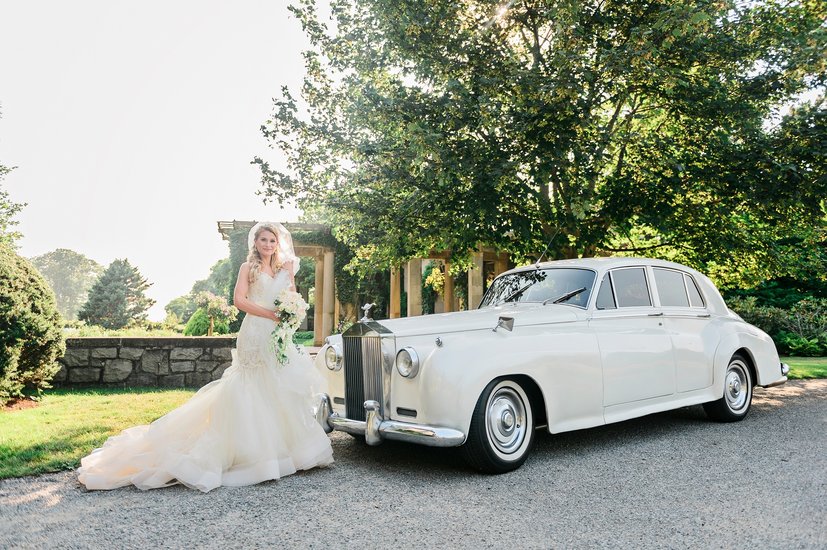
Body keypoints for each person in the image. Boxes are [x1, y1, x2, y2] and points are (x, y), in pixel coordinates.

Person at [77, 222, 333, 492]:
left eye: (272, 241)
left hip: (278, 334)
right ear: (255, 243)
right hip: (256, 331)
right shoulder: (249, 268)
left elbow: (291, 297)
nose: (268, 245)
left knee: (278, 382)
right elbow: (239, 301)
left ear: (277, 244)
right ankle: (250, 454)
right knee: (252, 382)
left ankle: (287, 451)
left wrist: (291, 301)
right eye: (264, 240)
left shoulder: (285, 269)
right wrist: (270, 314)